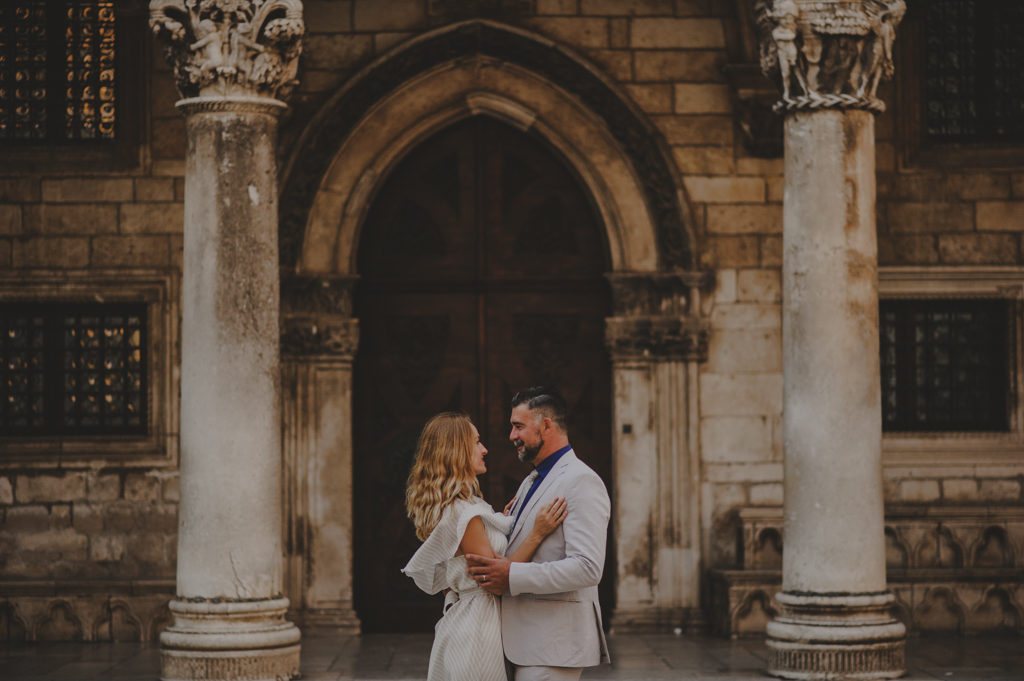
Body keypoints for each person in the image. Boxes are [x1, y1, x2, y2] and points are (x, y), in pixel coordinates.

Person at [402, 411, 569, 681]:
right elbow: (497, 580)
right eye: (477, 442)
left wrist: (497, 522)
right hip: (479, 632)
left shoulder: (462, 507)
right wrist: (537, 533)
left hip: (471, 620)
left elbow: (452, 574)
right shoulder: (464, 514)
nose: (484, 449)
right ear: (456, 451)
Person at [467, 387, 611, 681]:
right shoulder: (533, 479)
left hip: (552, 646)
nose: (511, 436)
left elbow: (587, 567)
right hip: (523, 643)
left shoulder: (581, 481)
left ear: (546, 425)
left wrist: (511, 575)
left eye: (518, 426)